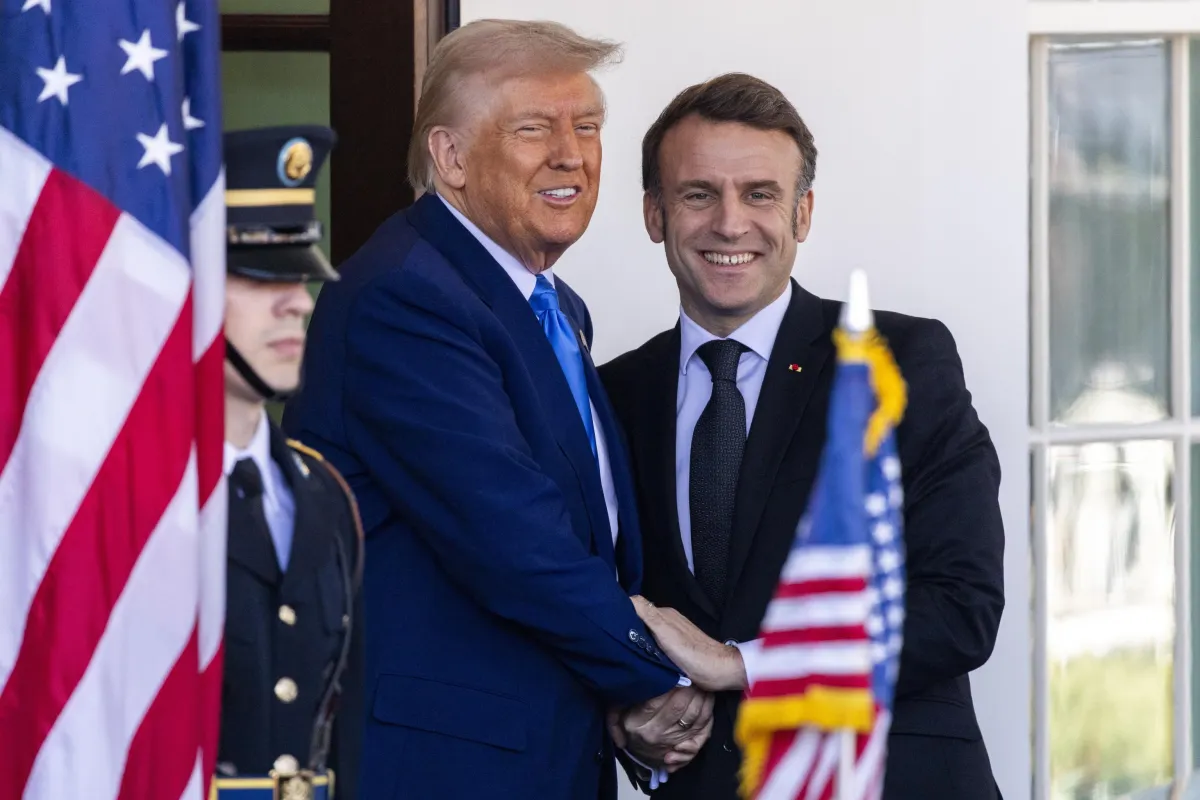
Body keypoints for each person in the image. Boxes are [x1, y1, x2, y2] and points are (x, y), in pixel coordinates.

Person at [281, 20, 717, 800]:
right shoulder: (405, 298)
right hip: (445, 770)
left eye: (587, 126)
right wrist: (662, 678)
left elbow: (591, 539)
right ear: (450, 157)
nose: (571, 154)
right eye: (533, 128)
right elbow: (514, 538)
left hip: (542, 757)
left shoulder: (554, 307)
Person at [599, 73, 1006, 800]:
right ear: (655, 213)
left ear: (803, 212)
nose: (731, 224)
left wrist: (743, 665)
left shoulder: (900, 363)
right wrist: (631, 725)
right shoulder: (614, 395)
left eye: (760, 194)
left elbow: (960, 608)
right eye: (699, 194)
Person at [214, 125, 364, 800]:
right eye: (257, 275)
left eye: (299, 276)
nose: (298, 301)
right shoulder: (125, 495)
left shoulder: (321, 490)